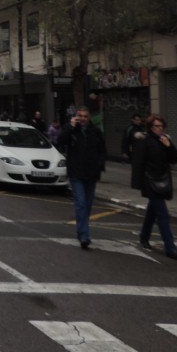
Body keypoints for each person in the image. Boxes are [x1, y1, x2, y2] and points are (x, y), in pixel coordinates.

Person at [132, 114, 177, 260]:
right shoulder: (144, 141)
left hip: (163, 181)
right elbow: (138, 163)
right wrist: (138, 183)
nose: (160, 129)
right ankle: (170, 248)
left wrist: (169, 145)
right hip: (149, 182)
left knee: (152, 212)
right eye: (156, 126)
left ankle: (144, 236)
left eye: (162, 126)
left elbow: (175, 159)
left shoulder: (165, 140)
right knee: (163, 215)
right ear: (150, 127)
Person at [58, 107, 106, 250]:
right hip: (76, 173)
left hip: (91, 174)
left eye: (85, 116)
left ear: (89, 118)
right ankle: (84, 235)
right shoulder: (71, 129)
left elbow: (102, 151)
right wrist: (70, 127)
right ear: (76, 117)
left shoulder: (95, 132)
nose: (83, 118)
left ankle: (82, 231)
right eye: (80, 116)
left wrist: (100, 167)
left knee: (88, 205)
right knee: (81, 203)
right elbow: (60, 141)